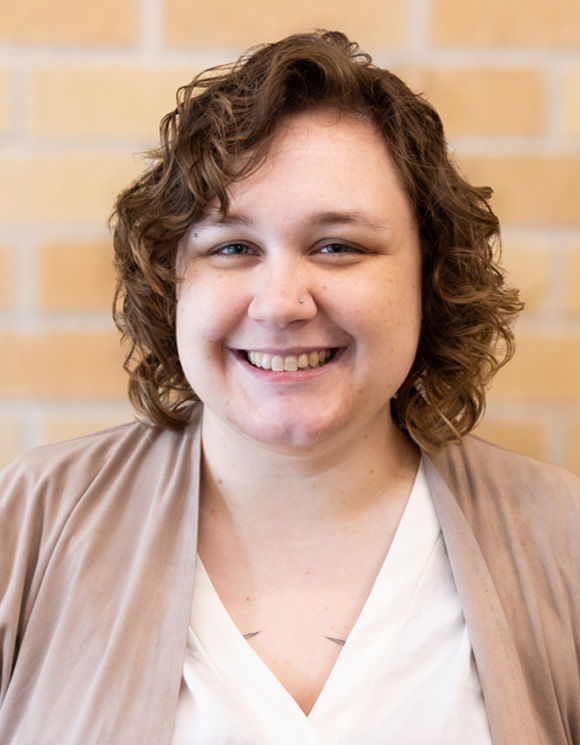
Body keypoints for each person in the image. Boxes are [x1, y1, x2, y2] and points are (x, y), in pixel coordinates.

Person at [0, 30, 579, 745]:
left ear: (428, 278)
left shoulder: (563, 539)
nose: (280, 304)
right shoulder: (25, 526)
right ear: (171, 281)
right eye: (232, 247)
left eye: (338, 246)